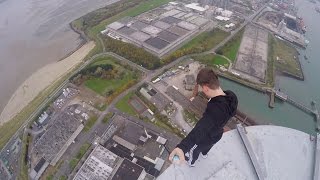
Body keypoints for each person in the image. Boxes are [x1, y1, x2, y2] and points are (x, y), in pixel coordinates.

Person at [169, 68, 238, 167]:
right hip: (218, 134)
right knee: (207, 147)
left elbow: (200, 129)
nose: (203, 92)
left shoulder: (215, 109)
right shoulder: (231, 96)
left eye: (202, 89)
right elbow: (232, 112)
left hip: (206, 137)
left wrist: (182, 148)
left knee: (194, 150)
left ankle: (191, 163)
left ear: (206, 88)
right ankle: (204, 154)